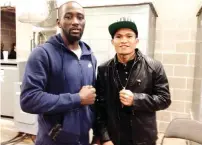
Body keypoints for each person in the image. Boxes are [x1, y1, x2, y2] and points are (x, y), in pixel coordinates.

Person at [20, 1, 97, 145]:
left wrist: (97, 132)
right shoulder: (42, 54)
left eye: (80, 17)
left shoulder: (89, 56)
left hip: (83, 140)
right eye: (68, 17)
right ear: (59, 23)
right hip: (53, 140)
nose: (75, 22)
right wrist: (77, 98)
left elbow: (92, 99)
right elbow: (28, 99)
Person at [93, 17, 171, 145]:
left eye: (129, 36)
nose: (124, 40)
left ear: (136, 41)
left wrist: (136, 99)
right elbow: (99, 108)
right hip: (114, 139)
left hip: (144, 139)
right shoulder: (104, 70)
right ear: (113, 41)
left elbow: (164, 99)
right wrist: (105, 138)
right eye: (119, 36)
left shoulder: (154, 66)